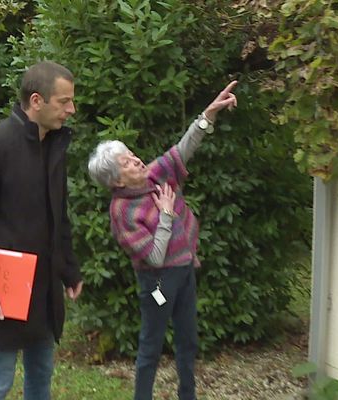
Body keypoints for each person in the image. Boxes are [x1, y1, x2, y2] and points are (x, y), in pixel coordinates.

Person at [87, 81, 238, 400]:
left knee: (188, 341)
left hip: (183, 270)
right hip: (157, 281)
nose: (137, 160)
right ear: (116, 181)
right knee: (151, 347)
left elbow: (183, 148)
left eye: (132, 154)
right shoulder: (122, 211)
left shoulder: (154, 175)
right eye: (127, 162)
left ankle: (188, 396)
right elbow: (154, 256)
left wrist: (207, 116)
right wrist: (166, 216)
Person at [0, 61, 83, 400]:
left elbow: (58, 216)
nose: (72, 110)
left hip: (44, 292)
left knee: (41, 378)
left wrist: (69, 269)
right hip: (4, 291)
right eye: (64, 101)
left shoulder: (54, 146)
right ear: (37, 100)